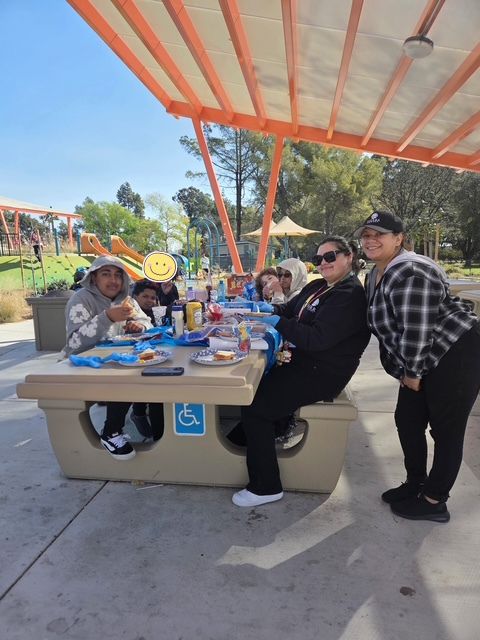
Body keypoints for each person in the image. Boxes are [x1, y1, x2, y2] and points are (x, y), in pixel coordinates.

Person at [356, 210, 480, 523]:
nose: (370, 240)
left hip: (455, 353)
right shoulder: (379, 271)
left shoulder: (408, 269)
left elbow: (416, 328)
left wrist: (412, 372)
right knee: (407, 419)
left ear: (399, 239)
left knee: (446, 431)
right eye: (366, 235)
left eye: (379, 234)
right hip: (426, 356)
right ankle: (416, 483)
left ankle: (434, 500)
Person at [231, 236, 370, 507]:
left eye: (331, 257)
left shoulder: (349, 295)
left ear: (349, 256)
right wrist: (262, 309)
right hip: (304, 362)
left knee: (255, 406)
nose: (324, 263)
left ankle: (266, 485)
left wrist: (279, 321)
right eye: (319, 259)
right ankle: (245, 440)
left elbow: (317, 339)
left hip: (324, 373)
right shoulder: (320, 286)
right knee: (256, 385)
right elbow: (289, 310)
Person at [64, 256, 155, 460]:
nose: (113, 280)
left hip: (113, 360)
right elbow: (74, 343)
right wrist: (108, 317)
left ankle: (153, 425)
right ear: (94, 277)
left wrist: (139, 327)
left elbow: (148, 324)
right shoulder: (80, 300)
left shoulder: (127, 300)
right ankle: (111, 432)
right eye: (106, 274)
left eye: (118, 275)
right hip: (80, 364)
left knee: (154, 371)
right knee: (127, 375)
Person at [131, 280, 166, 441]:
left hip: (148, 354)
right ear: (134, 296)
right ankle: (138, 413)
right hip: (130, 357)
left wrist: (166, 295)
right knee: (155, 385)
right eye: (145, 296)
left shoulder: (153, 312)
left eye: (153, 298)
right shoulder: (130, 311)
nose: (149, 300)